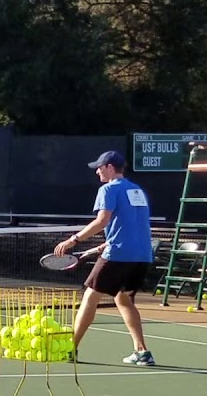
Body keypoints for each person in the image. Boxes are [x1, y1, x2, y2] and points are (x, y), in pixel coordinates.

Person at [53, 150, 156, 366]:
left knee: (90, 298)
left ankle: (70, 348)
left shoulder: (108, 189)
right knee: (123, 298)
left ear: (110, 167)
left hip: (119, 254)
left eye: (100, 167)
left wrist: (74, 240)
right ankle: (142, 352)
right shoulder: (137, 190)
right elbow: (131, 226)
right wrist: (105, 243)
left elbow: (101, 221)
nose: (97, 171)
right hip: (142, 255)